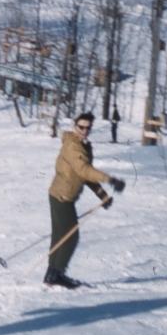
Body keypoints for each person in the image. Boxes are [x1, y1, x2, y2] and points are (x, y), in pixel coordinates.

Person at [46, 111, 125, 289]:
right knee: (71, 236)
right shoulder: (73, 146)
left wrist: (102, 195)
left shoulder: (83, 145)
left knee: (60, 236)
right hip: (62, 196)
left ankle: (52, 274)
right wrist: (110, 179)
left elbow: (85, 176)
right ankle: (57, 273)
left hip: (61, 195)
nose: (84, 131)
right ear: (75, 126)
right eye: (81, 127)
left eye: (88, 128)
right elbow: (83, 170)